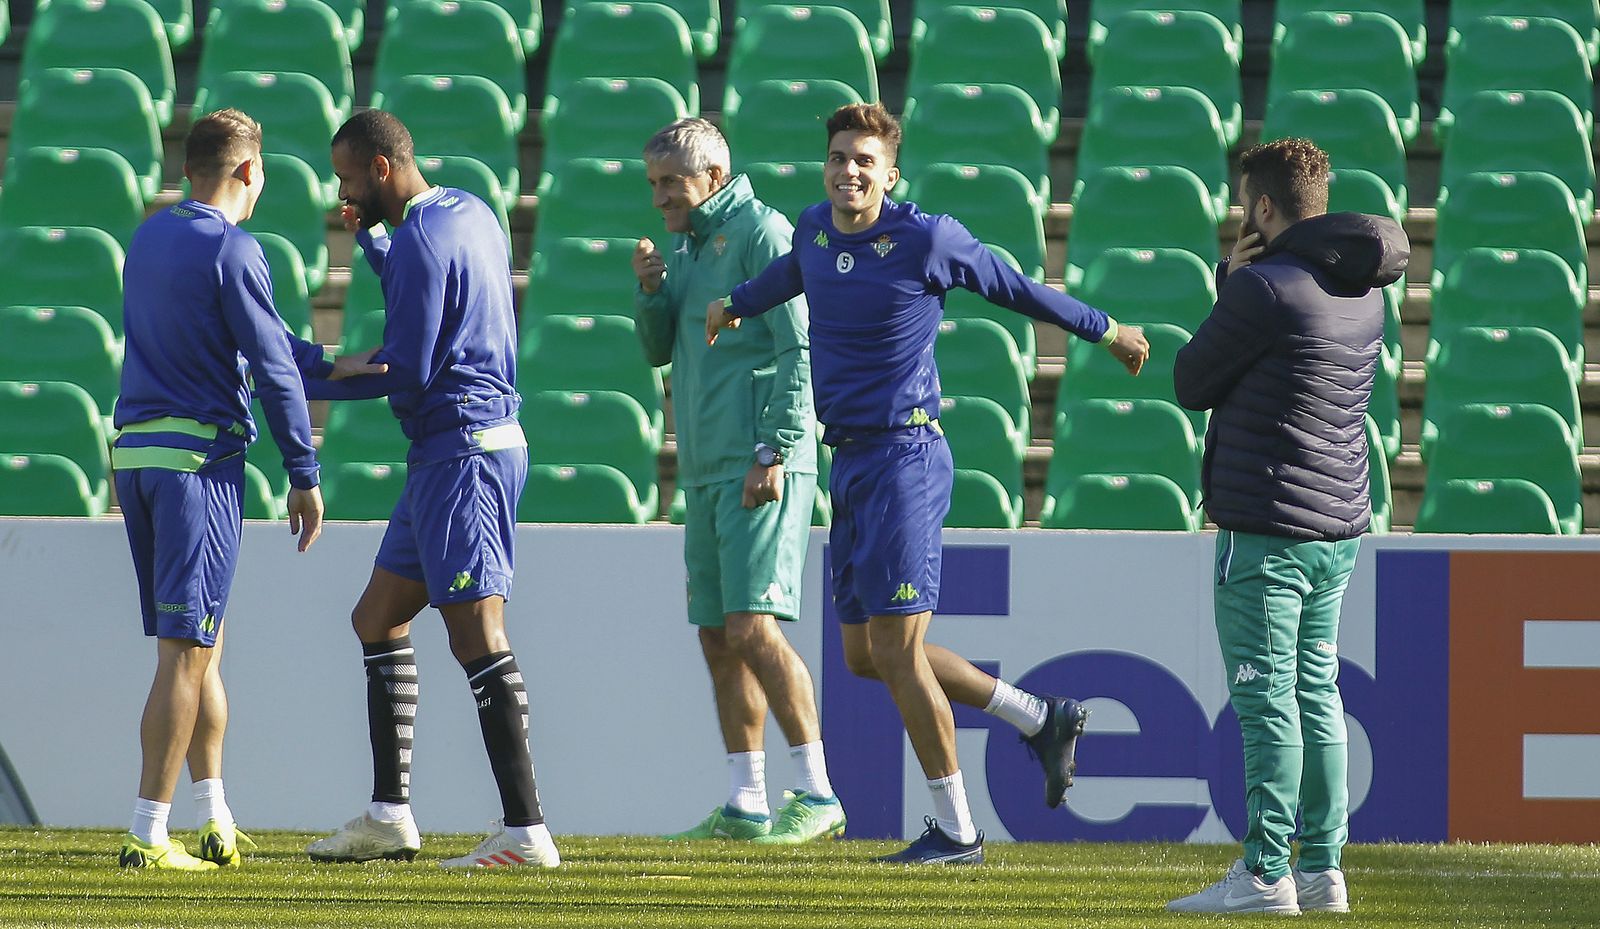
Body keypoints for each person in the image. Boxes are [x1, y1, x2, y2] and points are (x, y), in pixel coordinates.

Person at [707, 103, 1150, 864]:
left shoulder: (925, 237)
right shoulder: (814, 228)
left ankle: (959, 830)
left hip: (905, 458)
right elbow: (787, 276)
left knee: (897, 647)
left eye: (865, 161)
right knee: (863, 654)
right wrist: (733, 304)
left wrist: (1105, 330)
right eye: (840, 156)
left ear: (889, 174)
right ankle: (1039, 717)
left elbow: (1016, 287)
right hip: (849, 460)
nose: (850, 170)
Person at [115, 109, 381, 870]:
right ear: (250, 172)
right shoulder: (236, 248)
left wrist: (324, 358)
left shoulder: (150, 237)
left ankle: (214, 814)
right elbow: (268, 370)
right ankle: (147, 833)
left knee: (203, 644)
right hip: (199, 466)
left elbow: (252, 335)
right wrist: (305, 471)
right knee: (185, 654)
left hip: (137, 456)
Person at [301, 110, 559, 869]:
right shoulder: (467, 207)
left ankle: (526, 830)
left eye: (350, 178)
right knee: (376, 617)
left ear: (380, 168)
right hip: (450, 452)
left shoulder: (416, 238)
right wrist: (372, 240)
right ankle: (389, 815)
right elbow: (425, 281)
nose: (343, 192)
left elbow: (406, 368)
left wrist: (302, 378)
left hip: (465, 450)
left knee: (476, 632)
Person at [1167, 139, 1408, 915]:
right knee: (1316, 691)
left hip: (1265, 527)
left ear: (1263, 208)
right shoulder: (1365, 290)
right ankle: (1324, 869)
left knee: (1267, 699)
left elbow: (1191, 380)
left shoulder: (1263, 288)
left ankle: (1268, 871)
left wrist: (1229, 283)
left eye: (1246, 204)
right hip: (1337, 525)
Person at [632, 118, 844, 843]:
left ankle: (816, 790)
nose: (659, 197)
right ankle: (747, 799)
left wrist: (776, 450)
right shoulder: (688, 246)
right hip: (706, 466)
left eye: (672, 183)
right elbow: (662, 349)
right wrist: (653, 292)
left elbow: (799, 345)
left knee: (753, 627)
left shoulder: (763, 233)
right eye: (654, 183)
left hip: (760, 462)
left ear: (713, 178)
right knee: (718, 635)